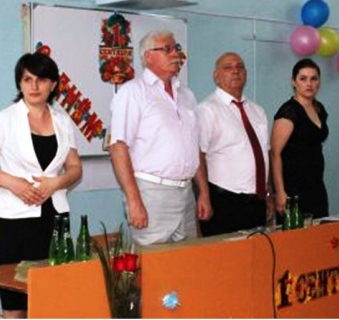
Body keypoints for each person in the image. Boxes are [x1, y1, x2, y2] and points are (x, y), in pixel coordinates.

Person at [0, 52, 82, 319]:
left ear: (53, 84)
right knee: (16, 304)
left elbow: (75, 168)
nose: (34, 86)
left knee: (52, 301)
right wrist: (13, 183)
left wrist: (56, 183)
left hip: (55, 218)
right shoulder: (5, 118)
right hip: (16, 223)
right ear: (19, 84)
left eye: (41, 79)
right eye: (27, 79)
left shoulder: (62, 121)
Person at [109, 30, 212, 246]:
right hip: (151, 193)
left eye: (176, 48)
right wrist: (134, 200)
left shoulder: (187, 95)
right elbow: (118, 148)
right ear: (148, 56)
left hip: (186, 193)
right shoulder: (133, 92)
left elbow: (194, 148)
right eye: (167, 49)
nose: (175, 54)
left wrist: (203, 193)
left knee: (187, 259)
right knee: (153, 262)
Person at [197, 52, 272, 236]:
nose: (235, 71)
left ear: (246, 74)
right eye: (228, 67)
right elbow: (198, 156)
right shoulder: (207, 110)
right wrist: (204, 195)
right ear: (216, 76)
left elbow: (264, 155)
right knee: (225, 254)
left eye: (240, 67)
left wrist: (268, 194)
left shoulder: (257, 111)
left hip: (256, 201)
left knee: (258, 252)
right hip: (223, 201)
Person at [270, 58, 329, 220]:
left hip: (316, 185)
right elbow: (275, 154)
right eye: (303, 79)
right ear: (294, 82)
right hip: (292, 188)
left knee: (320, 230)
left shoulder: (319, 108)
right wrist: (280, 192)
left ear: (319, 82)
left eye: (313, 79)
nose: (309, 84)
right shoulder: (289, 111)